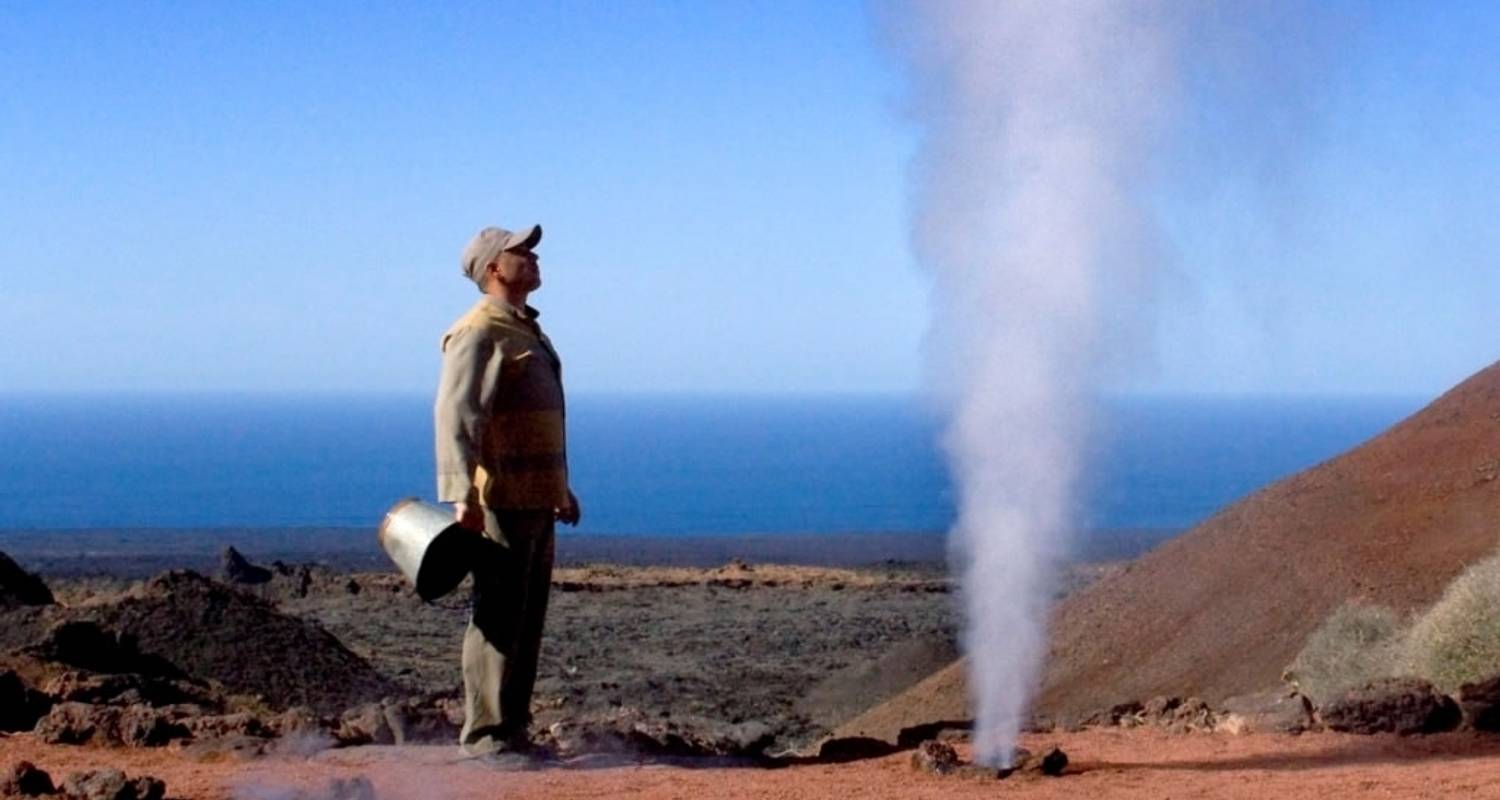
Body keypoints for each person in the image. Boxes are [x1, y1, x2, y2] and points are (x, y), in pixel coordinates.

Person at [433, 224, 581, 757]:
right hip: (500, 500)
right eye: (522, 251)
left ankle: (512, 732)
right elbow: (456, 414)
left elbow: (535, 419)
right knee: (497, 617)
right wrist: (462, 494)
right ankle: (486, 737)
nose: (534, 257)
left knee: (526, 619)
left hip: (536, 498)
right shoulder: (479, 331)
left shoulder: (523, 328)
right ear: (494, 266)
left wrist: (561, 488)